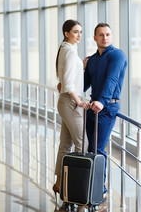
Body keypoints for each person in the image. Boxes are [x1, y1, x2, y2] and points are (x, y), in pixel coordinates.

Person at [84, 22, 128, 200]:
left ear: (112, 36)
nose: (105, 38)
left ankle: (99, 191)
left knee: (98, 148)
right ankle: (91, 186)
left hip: (107, 106)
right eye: (101, 35)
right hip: (93, 106)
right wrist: (66, 85)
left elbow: (112, 79)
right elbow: (85, 83)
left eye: (108, 34)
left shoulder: (117, 55)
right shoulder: (93, 59)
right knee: (91, 147)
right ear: (95, 38)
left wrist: (101, 101)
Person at [52, 20, 90, 208]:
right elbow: (66, 83)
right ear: (66, 33)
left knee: (66, 145)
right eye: (76, 32)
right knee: (83, 144)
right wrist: (79, 102)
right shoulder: (69, 51)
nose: (79, 35)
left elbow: (66, 78)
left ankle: (60, 184)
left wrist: (81, 66)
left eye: (80, 32)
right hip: (70, 102)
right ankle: (74, 188)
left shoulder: (66, 49)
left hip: (66, 101)